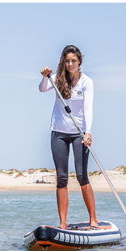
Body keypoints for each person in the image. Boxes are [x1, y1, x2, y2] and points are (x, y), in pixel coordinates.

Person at [39, 45, 98, 229]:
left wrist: (88, 132)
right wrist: (44, 76)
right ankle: (63, 223)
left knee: (82, 176)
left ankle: (93, 220)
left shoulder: (86, 82)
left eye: (74, 60)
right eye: (67, 61)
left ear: (79, 61)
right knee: (62, 178)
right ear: (63, 62)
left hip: (79, 133)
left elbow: (88, 109)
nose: (70, 64)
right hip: (58, 132)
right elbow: (42, 89)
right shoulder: (57, 78)